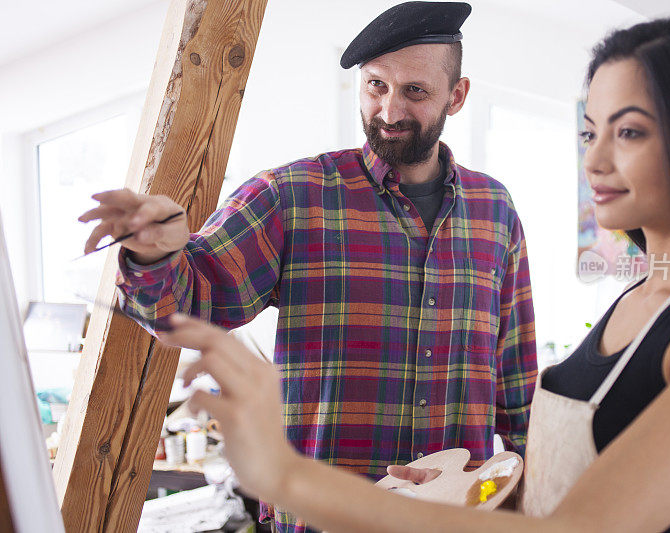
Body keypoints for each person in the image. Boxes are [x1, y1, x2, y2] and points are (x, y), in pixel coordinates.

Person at [159, 14, 670, 532]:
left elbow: (580, 517)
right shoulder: (642, 300)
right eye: (588, 131)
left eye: (629, 132)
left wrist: (291, 478)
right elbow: (548, 479)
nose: (596, 160)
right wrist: (463, 491)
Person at [78, 2, 537, 531]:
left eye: (415, 91)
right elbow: (187, 304)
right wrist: (152, 254)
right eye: (375, 87)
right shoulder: (291, 197)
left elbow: (517, 375)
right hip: (324, 517)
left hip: (462, 516)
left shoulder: (495, 210)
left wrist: (536, 492)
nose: (388, 112)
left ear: (456, 96)